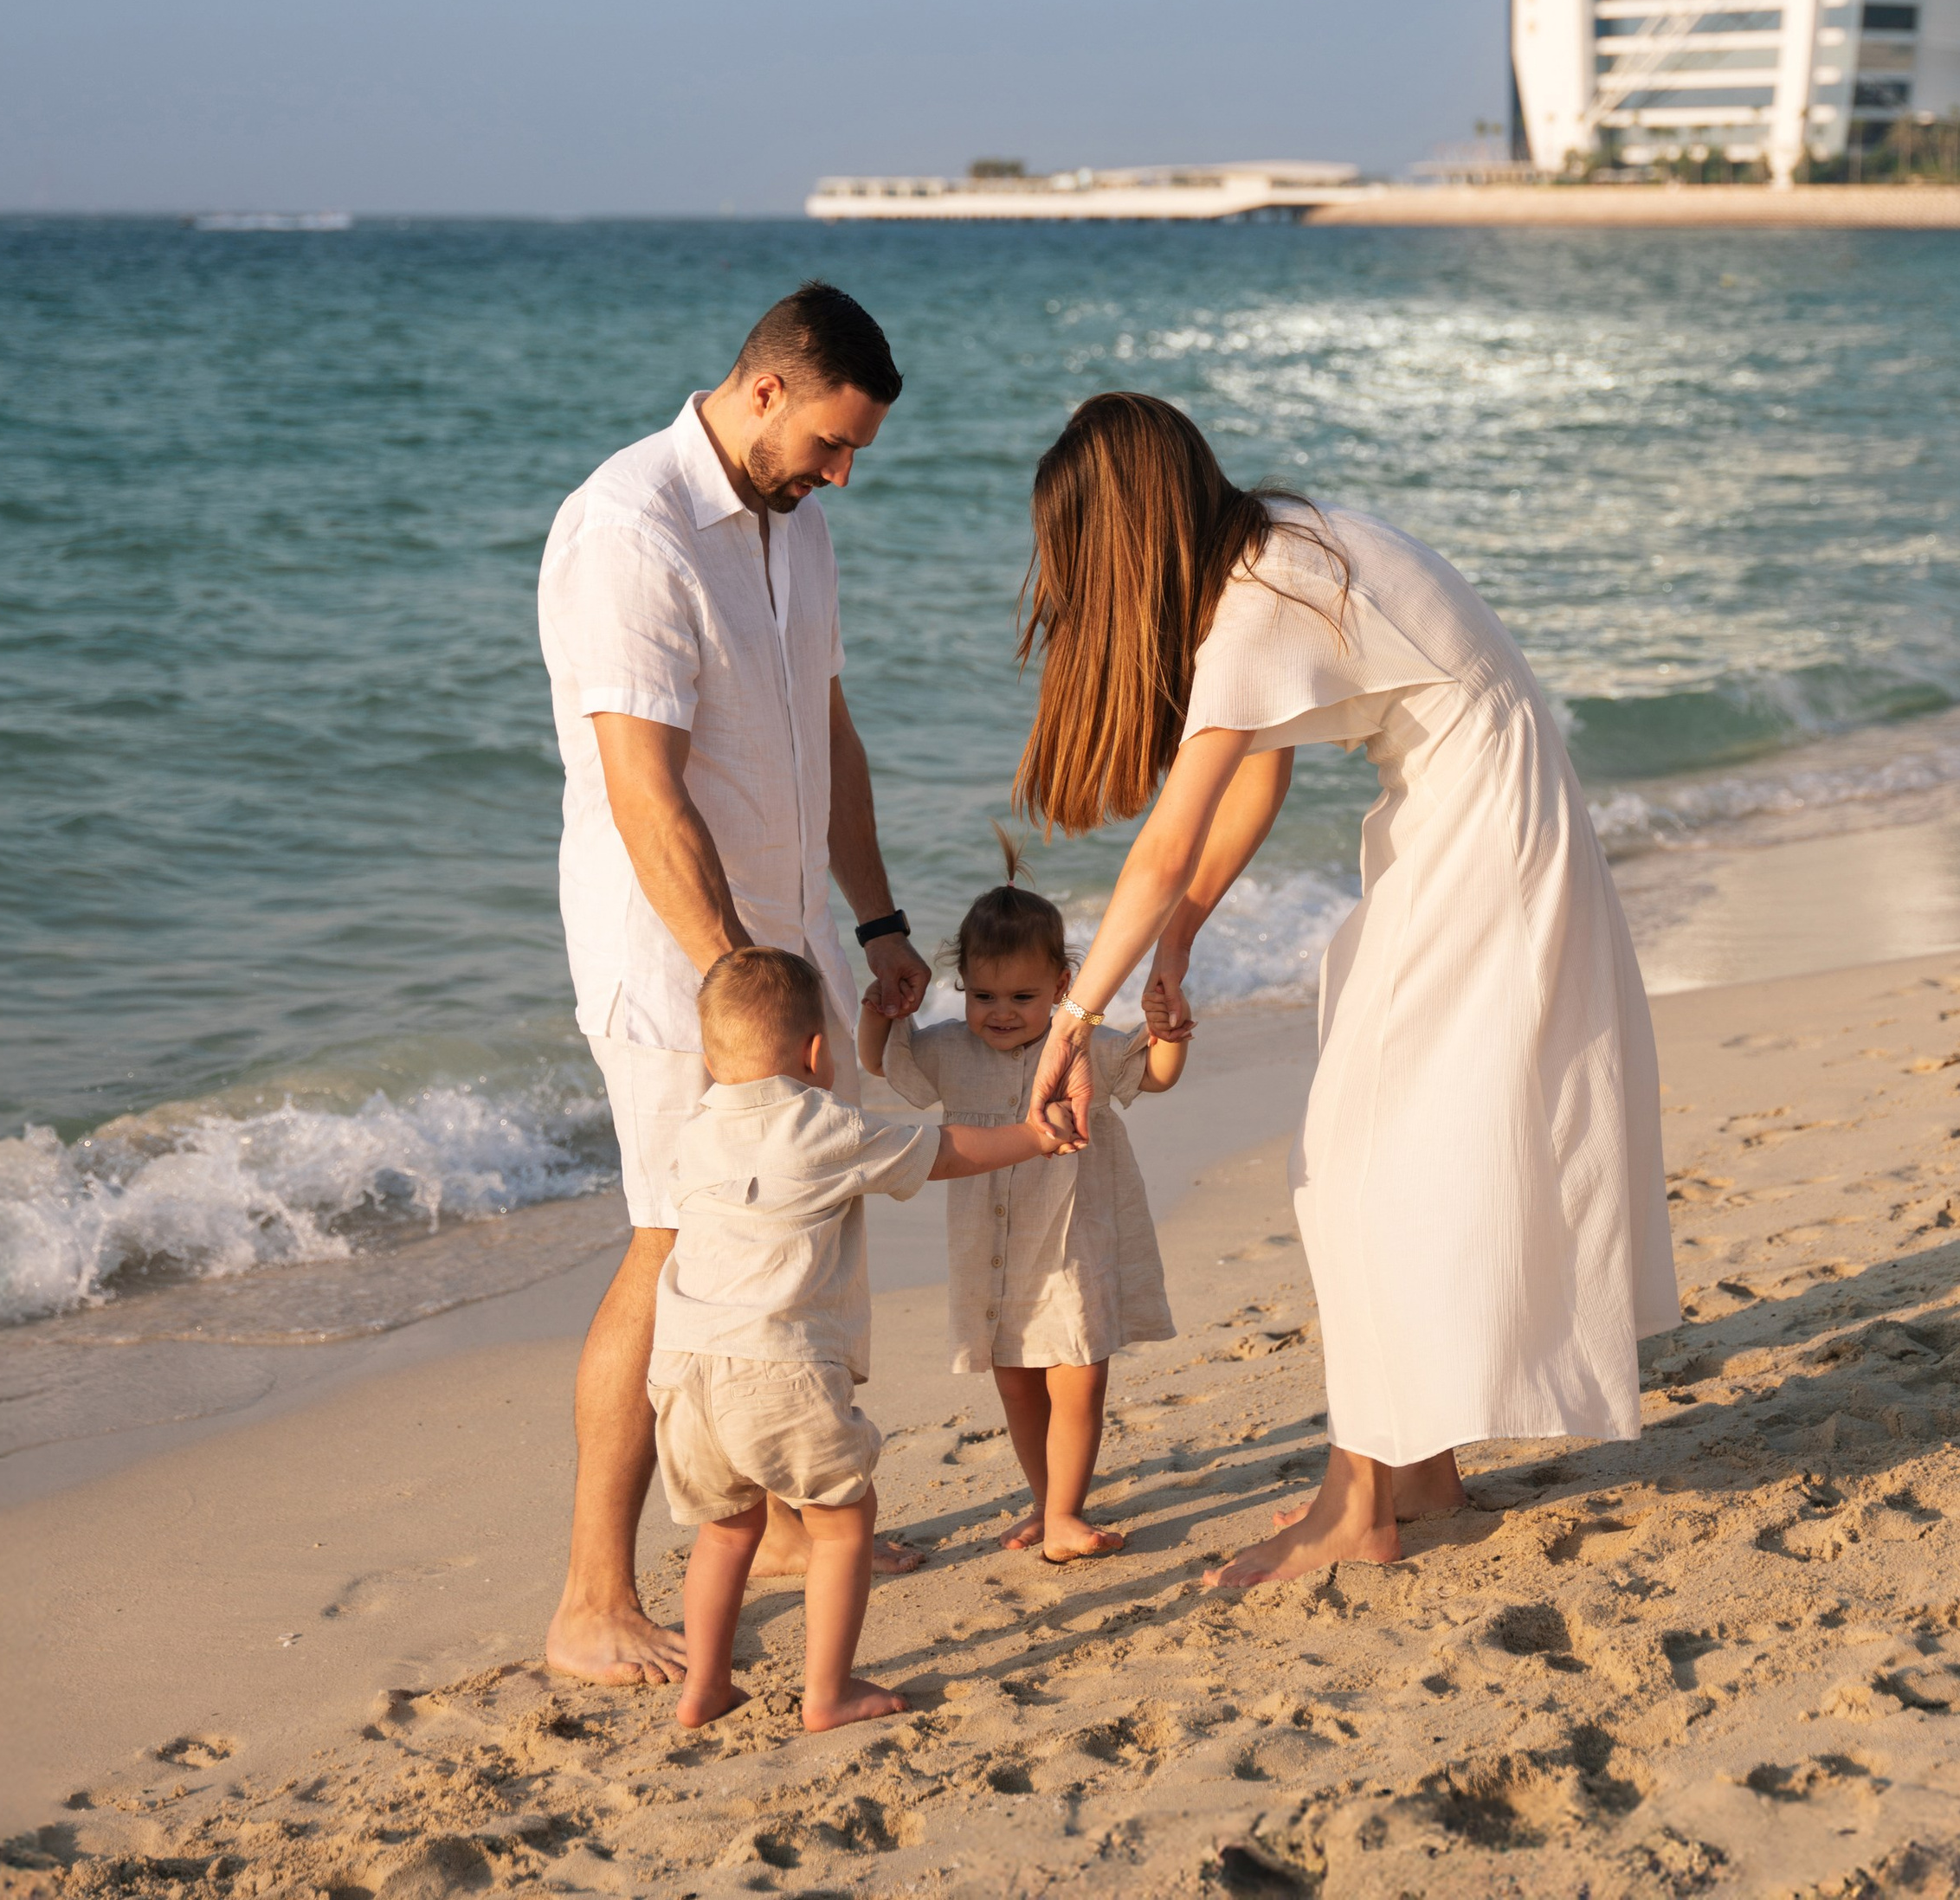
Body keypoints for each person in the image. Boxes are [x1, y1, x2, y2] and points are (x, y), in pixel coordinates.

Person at [1017, 392, 1676, 1591]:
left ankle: (1357, 1503)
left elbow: (1165, 843)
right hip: (1482, 815)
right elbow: (1252, 790)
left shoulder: (1258, 602)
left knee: (1354, 1156)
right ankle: (1414, 1467)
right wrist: (1178, 945)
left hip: (1480, 833)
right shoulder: (1272, 550)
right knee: (1384, 1148)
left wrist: (1074, 1017)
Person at [536, 280, 935, 1688]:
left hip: (790, 938)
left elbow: (826, 727)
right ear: (765, 387)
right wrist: (731, 990)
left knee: (807, 1225)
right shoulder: (628, 528)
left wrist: (874, 918)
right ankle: (591, 1595)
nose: (839, 474)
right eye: (831, 442)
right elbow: (646, 794)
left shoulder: (799, 528)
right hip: (677, 959)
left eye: (855, 455)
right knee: (676, 1240)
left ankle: (771, 1522)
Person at [656, 944, 1070, 1732]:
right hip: (777, 1365)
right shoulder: (819, 1124)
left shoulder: (695, 1132)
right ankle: (827, 1692)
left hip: (680, 1370)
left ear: (711, 1056)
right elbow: (942, 1150)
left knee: (727, 1526)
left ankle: (704, 1683)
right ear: (817, 1054)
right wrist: (1034, 1137)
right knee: (844, 1521)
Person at [861, 835, 1187, 1564]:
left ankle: (1067, 1511)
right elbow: (884, 1061)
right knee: (1015, 1382)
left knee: (1078, 1376)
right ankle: (1048, 1503)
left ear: (1066, 985)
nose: (1000, 1012)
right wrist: (879, 1008)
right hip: (995, 1255)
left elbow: (1155, 1075)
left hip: (1073, 1243)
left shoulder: (1084, 1045)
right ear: (962, 988)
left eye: (1022, 996)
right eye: (982, 995)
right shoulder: (951, 1048)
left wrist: (1169, 1030)